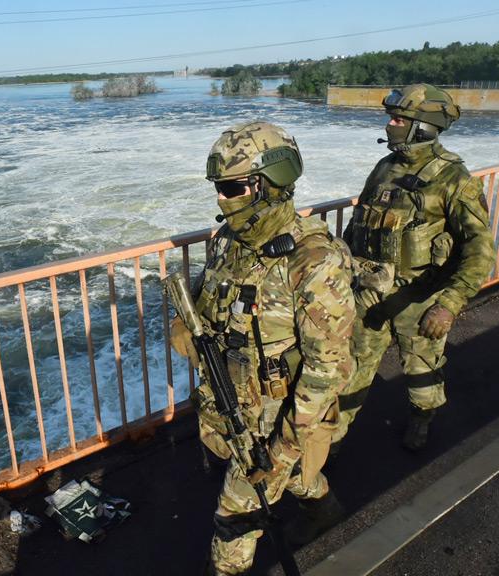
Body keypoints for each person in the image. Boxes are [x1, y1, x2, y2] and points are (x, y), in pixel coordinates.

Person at [170, 121, 355, 575]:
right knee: (290, 482)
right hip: (231, 403)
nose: (220, 199)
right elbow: (211, 299)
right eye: (219, 187)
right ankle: (322, 508)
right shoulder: (232, 243)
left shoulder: (312, 262)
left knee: (234, 519)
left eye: (231, 187)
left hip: (277, 425)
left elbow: (328, 369)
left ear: (268, 185)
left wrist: (285, 449)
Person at [336, 83, 496, 452]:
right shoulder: (384, 167)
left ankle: (423, 420)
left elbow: (480, 249)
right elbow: (359, 223)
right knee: (352, 368)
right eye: (392, 117)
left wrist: (450, 303)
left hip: (420, 299)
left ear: (423, 127)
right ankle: (334, 437)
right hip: (371, 294)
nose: (390, 125)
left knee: (421, 369)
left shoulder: (454, 179)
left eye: (398, 119)